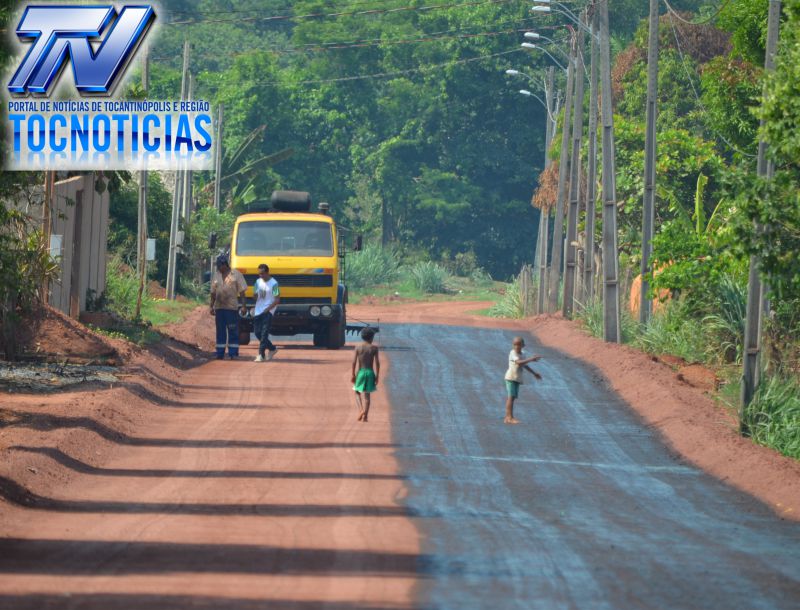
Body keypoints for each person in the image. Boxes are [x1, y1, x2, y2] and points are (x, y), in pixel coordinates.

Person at [209, 255, 247, 360]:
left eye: (220, 266)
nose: (219, 268)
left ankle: (233, 353)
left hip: (231, 308)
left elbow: (242, 292)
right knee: (220, 330)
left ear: (225, 265)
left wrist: (243, 306)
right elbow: (213, 292)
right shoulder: (216, 275)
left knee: (232, 329)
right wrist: (211, 306)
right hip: (219, 308)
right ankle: (220, 353)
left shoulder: (236, 275)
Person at [504, 336, 543, 424]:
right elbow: (518, 362)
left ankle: (508, 418)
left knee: (512, 397)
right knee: (510, 397)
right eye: (515, 345)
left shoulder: (523, 354)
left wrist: (534, 373)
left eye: (519, 345)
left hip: (516, 378)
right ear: (513, 345)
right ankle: (509, 417)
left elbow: (524, 365)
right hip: (510, 377)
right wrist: (531, 359)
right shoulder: (513, 353)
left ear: (523, 345)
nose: (516, 347)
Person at [351, 327, 380, 423]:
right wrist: (377, 376)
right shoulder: (374, 348)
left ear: (362, 337)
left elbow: (354, 362)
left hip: (361, 372)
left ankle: (361, 410)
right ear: (372, 338)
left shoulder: (358, 347)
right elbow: (377, 363)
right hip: (370, 372)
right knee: (367, 396)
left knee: (357, 392)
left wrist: (353, 374)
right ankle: (365, 417)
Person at [253, 263, 280, 362]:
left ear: (267, 272)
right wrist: (255, 295)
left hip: (268, 311)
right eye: (259, 274)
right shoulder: (257, 282)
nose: (261, 276)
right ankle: (272, 349)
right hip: (258, 310)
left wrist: (268, 309)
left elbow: (277, 299)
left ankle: (261, 355)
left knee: (264, 334)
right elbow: (255, 297)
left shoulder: (274, 283)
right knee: (257, 333)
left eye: (263, 273)